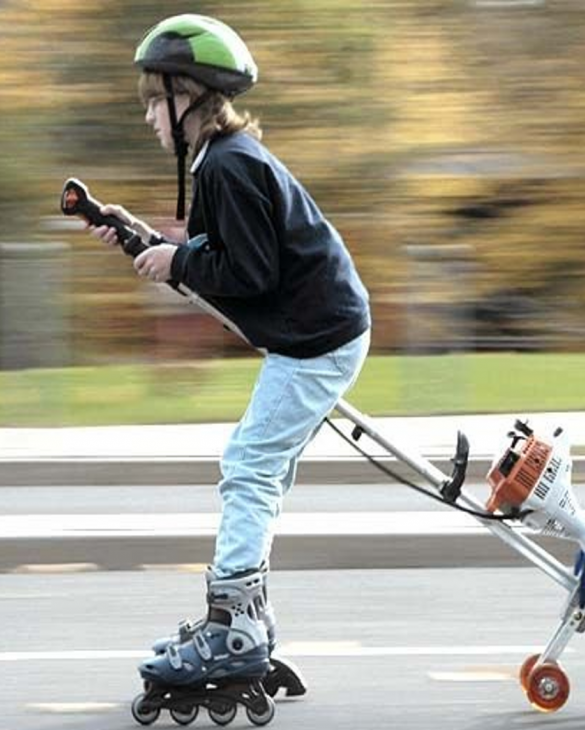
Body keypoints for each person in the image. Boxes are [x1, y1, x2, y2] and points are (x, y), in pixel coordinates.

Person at [87, 13, 371, 696]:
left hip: (316, 339)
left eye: (158, 100)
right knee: (261, 471)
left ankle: (233, 627)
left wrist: (177, 259)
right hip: (315, 331)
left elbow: (248, 273)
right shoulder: (222, 162)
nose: (151, 116)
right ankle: (251, 618)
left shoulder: (229, 169)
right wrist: (147, 241)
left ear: (191, 97)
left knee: (248, 465)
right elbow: (224, 260)